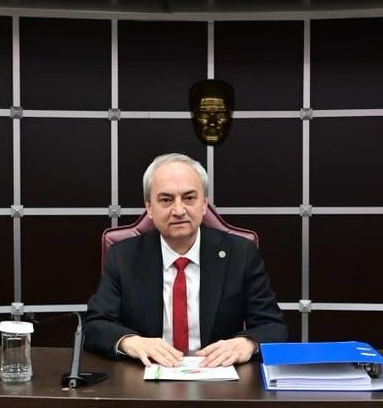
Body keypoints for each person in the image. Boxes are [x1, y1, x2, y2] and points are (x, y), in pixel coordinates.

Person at [86, 153, 288, 367]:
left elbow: (273, 327)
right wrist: (130, 342)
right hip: (147, 376)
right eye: (166, 200)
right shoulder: (123, 256)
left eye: (189, 198)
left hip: (218, 376)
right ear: (149, 207)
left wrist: (247, 343)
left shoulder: (240, 254)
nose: (179, 210)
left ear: (204, 203)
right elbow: (95, 325)